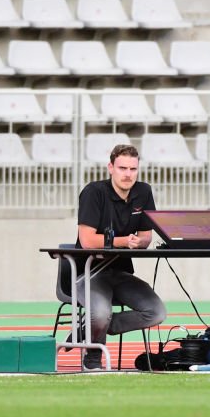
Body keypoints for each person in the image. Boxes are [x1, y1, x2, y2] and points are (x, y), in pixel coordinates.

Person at [72, 144, 167, 370]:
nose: (127, 174)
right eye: (122, 168)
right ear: (110, 168)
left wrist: (139, 242)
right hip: (89, 272)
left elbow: (145, 237)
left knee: (157, 312)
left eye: (133, 169)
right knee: (101, 312)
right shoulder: (93, 192)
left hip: (121, 272)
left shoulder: (143, 192)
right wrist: (125, 241)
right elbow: (87, 241)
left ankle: (91, 327)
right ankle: (93, 359)